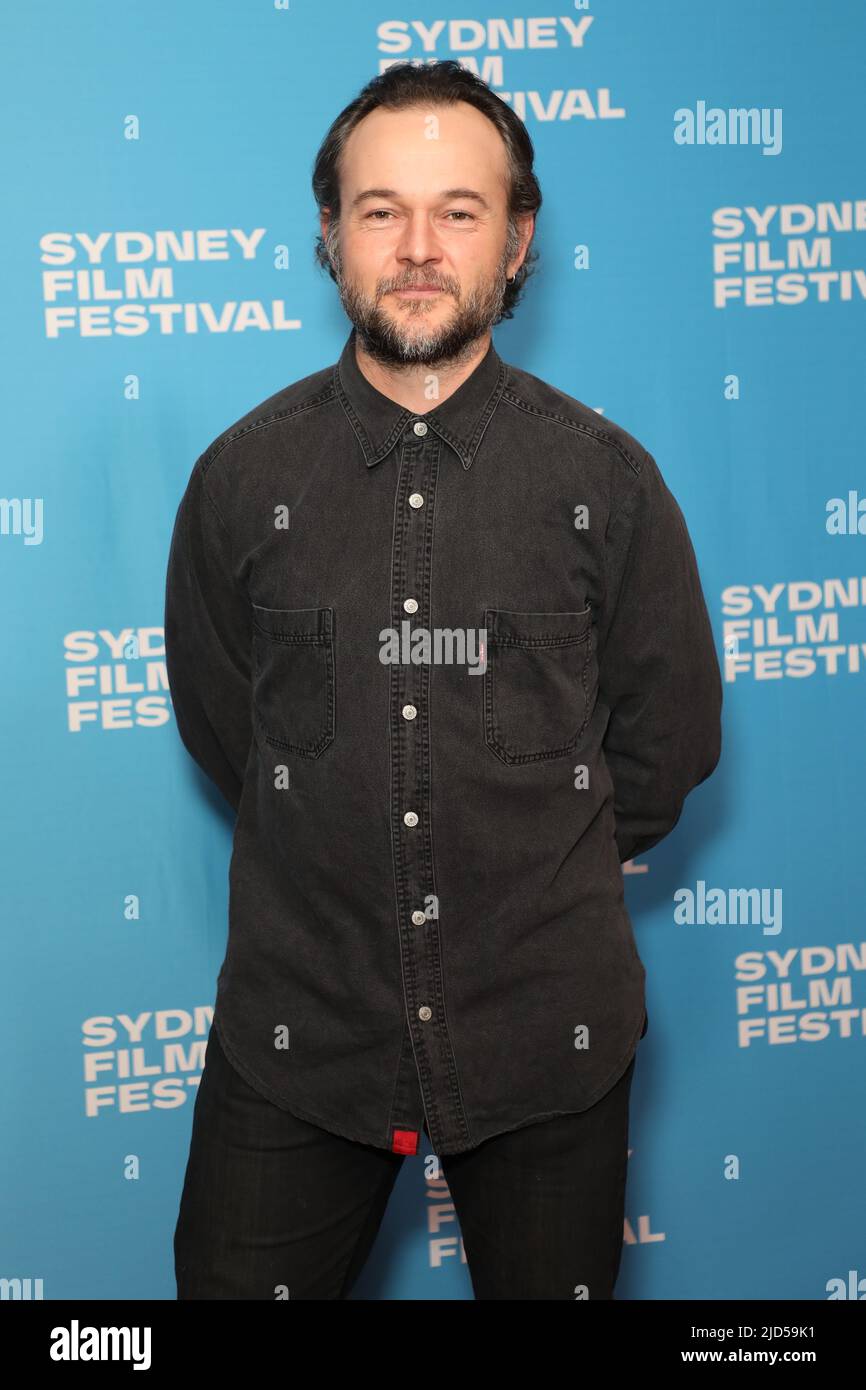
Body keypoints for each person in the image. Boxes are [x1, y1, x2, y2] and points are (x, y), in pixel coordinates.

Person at [165, 60, 722, 1300]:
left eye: (458, 212)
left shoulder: (608, 485)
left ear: (516, 242)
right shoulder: (236, 480)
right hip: (298, 1040)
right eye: (380, 211)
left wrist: (531, 855)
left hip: (545, 1045)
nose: (419, 247)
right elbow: (228, 730)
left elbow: (663, 748)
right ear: (329, 234)